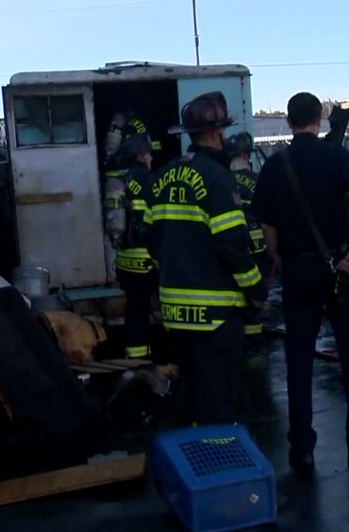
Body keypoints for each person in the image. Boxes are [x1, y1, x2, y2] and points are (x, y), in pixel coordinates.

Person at [253, 92, 349, 473]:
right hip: (340, 266)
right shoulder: (337, 156)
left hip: (299, 270)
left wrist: (278, 257)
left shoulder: (275, 166)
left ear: (289, 122)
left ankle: (302, 449)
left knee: (299, 361)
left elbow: (266, 225)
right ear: (320, 119)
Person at [143, 91, 267, 425]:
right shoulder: (217, 179)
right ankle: (222, 461)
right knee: (221, 399)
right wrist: (256, 287)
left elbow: (149, 240)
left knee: (193, 394)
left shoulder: (163, 177)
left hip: (175, 314)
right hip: (216, 317)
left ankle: (199, 456)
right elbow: (232, 245)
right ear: (216, 133)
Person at [104, 132, 157, 359]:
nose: (152, 159)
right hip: (147, 259)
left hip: (125, 260)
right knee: (161, 305)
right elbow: (157, 220)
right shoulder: (148, 180)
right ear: (142, 155)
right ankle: (165, 355)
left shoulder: (120, 180)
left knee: (135, 309)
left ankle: (136, 357)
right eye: (150, 154)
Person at [225, 131, 270, 344]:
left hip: (229, 247)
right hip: (257, 249)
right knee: (254, 296)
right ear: (245, 154)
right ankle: (254, 344)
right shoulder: (257, 181)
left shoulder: (220, 180)